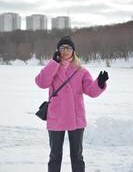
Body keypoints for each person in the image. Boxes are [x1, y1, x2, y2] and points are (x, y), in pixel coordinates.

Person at [35, 36, 109, 172]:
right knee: (55, 156)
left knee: (77, 156)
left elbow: (91, 91)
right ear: (57, 50)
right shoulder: (52, 68)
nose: (65, 50)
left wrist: (99, 83)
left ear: (73, 51)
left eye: (68, 48)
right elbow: (41, 83)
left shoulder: (81, 71)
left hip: (76, 117)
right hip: (56, 117)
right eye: (62, 48)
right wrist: (53, 63)